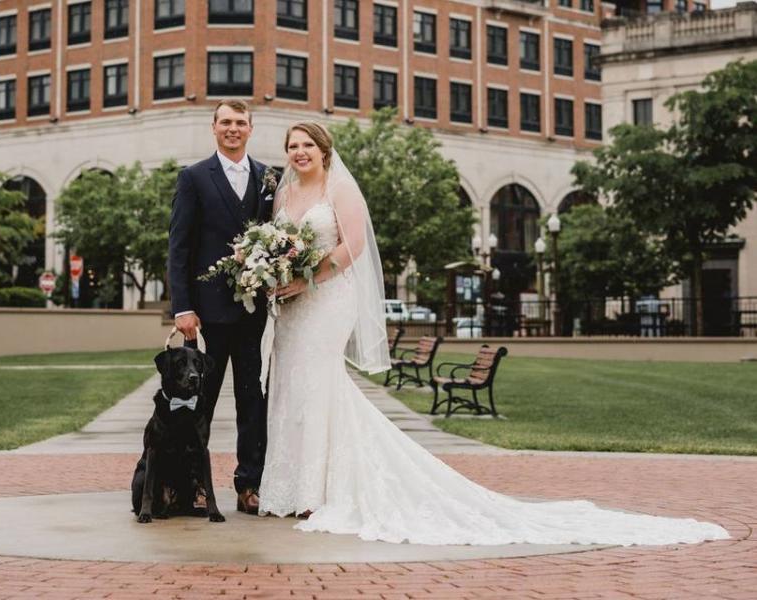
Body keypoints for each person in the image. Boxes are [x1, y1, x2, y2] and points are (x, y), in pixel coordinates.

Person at [257, 121, 730, 546]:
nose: (300, 153)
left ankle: (319, 491)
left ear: (324, 150)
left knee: (319, 384)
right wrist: (277, 277)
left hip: (326, 300)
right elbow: (277, 246)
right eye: (293, 146)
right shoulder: (283, 194)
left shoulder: (341, 190)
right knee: (289, 387)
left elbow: (354, 245)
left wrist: (310, 278)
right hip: (291, 306)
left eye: (307, 146)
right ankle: (288, 486)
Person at [168, 100, 274, 515]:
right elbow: (179, 247)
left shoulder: (269, 178)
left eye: (240, 123)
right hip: (205, 318)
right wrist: (182, 308)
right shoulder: (193, 177)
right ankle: (194, 485)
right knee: (201, 404)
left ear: (251, 128)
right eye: (226, 122)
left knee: (253, 402)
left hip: (253, 314)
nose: (233, 129)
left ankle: (249, 485)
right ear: (213, 127)